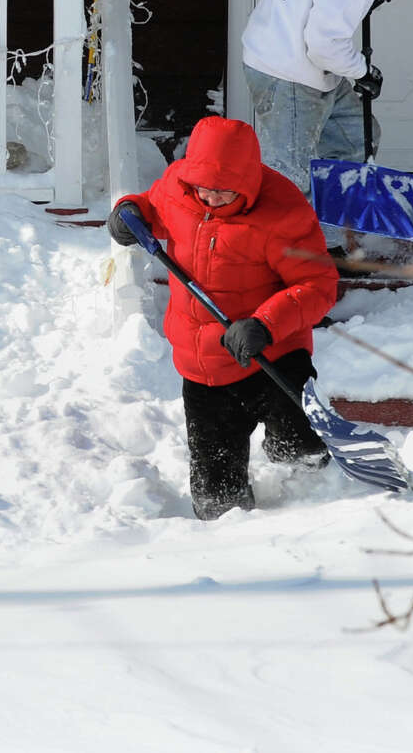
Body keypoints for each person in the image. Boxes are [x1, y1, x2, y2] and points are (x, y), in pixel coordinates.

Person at [107, 116, 339, 520]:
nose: (211, 200)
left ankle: (324, 502)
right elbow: (150, 208)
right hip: (205, 367)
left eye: (224, 193)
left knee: (300, 446)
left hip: (272, 355)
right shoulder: (180, 188)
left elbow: (319, 284)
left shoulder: (282, 212)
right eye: (204, 190)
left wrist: (264, 324)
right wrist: (127, 211)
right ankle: (227, 552)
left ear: (248, 182)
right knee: (218, 498)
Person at [240, 0, 413, 257]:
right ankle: (287, 258)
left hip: (292, 57)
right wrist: (362, 71)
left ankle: (329, 234)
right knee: (291, 174)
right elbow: (324, 46)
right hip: (288, 72)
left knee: (355, 139)